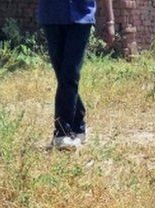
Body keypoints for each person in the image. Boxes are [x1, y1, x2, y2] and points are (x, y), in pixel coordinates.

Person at [37, 0, 114, 150]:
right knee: (63, 76)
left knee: (70, 73)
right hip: (51, 16)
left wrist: (110, 20)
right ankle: (78, 125)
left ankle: (62, 132)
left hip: (81, 17)